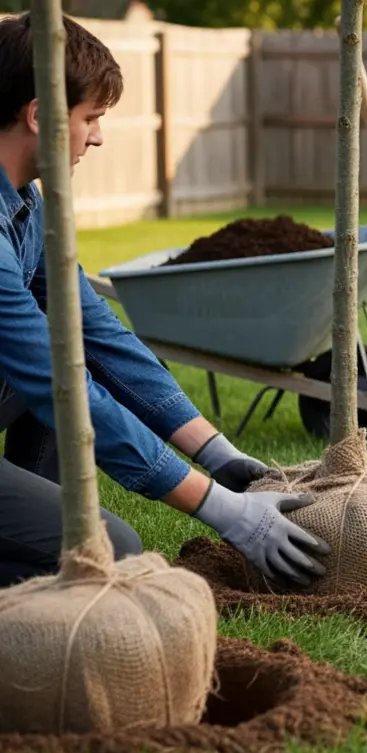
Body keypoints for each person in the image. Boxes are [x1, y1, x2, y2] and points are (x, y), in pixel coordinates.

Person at [0, 13, 331, 589]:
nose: (98, 137)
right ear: (38, 115)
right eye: (91, 118)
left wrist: (218, 454)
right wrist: (222, 510)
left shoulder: (30, 209)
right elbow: (60, 384)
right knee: (109, 551)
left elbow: (99, 338)